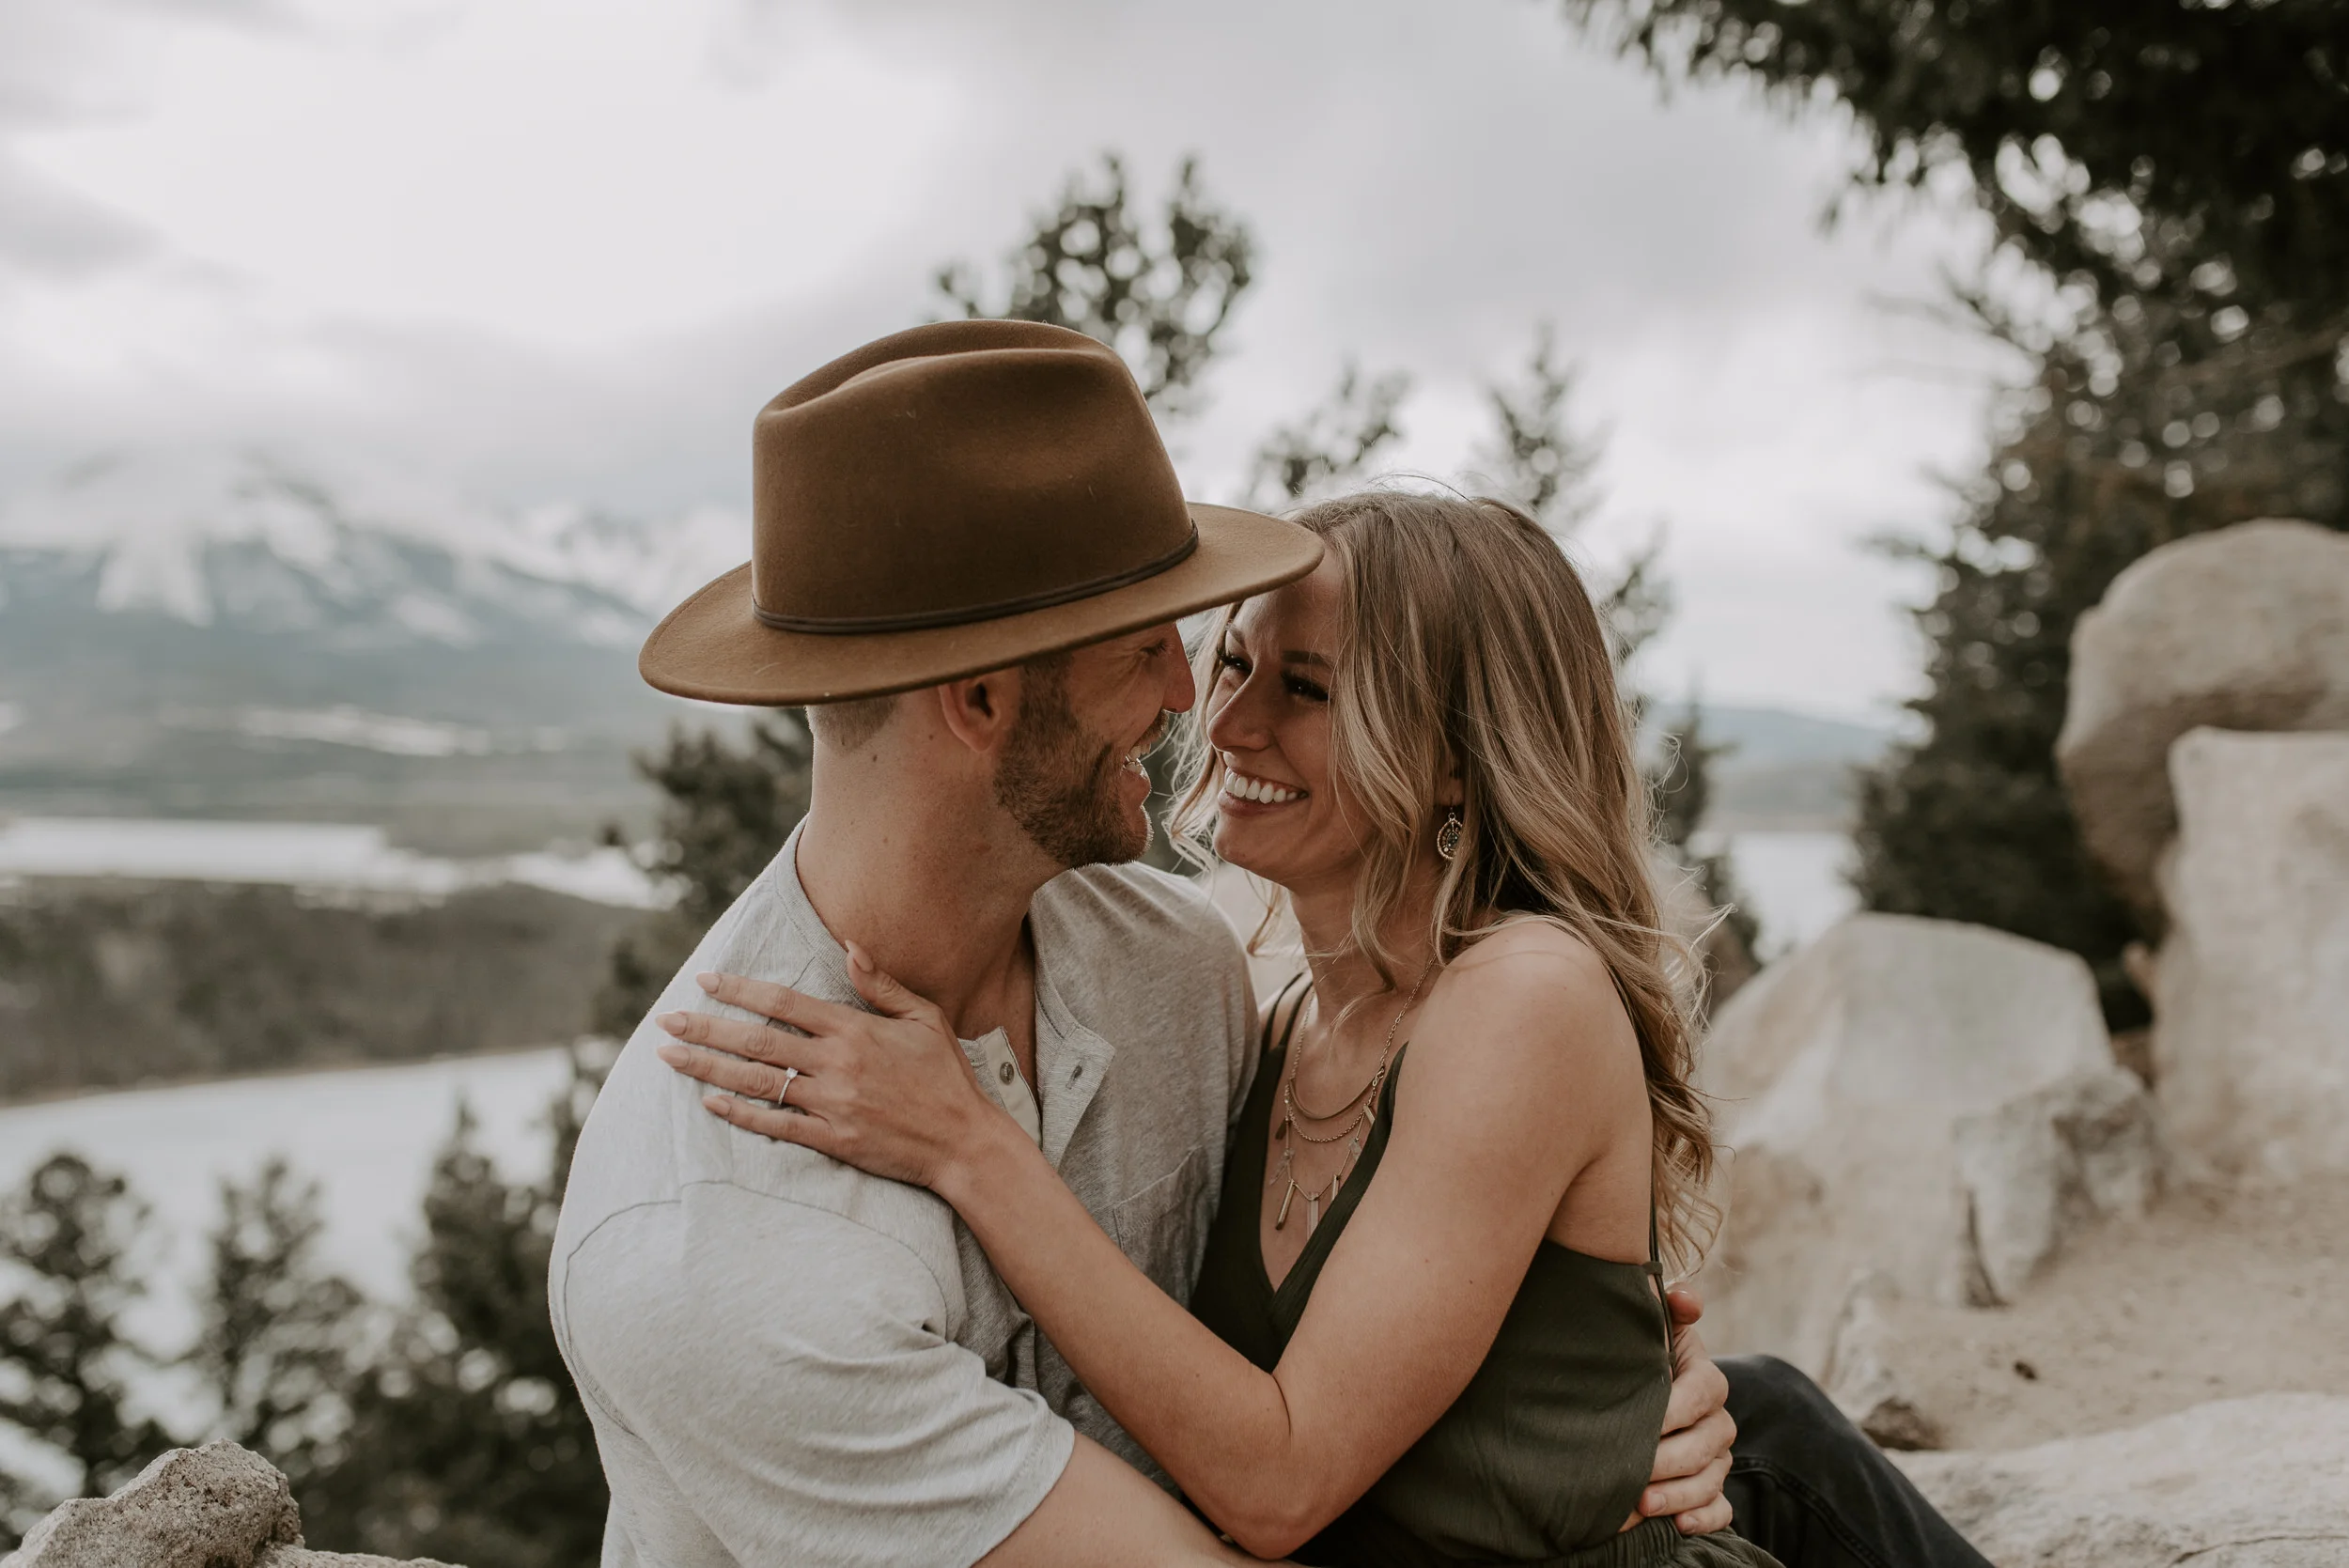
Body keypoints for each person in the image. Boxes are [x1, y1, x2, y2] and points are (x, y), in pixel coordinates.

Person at [549, 319, 1742, 1568]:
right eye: (1160, 651)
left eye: (1290, 678)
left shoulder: (1177, 975)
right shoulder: (720, 1252)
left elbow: (1379, 1352)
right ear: (981, 699)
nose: (1200, 708)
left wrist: (1616, 1407)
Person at [661, 490, 1996, 1568]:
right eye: (1234, 661)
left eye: (1307, 686)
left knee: (1764, 1417)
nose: (1227, 721)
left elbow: (1287, 1481)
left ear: (1461, 751)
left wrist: (967, 1144)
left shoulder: (1519, 996)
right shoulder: (1269, 1011)